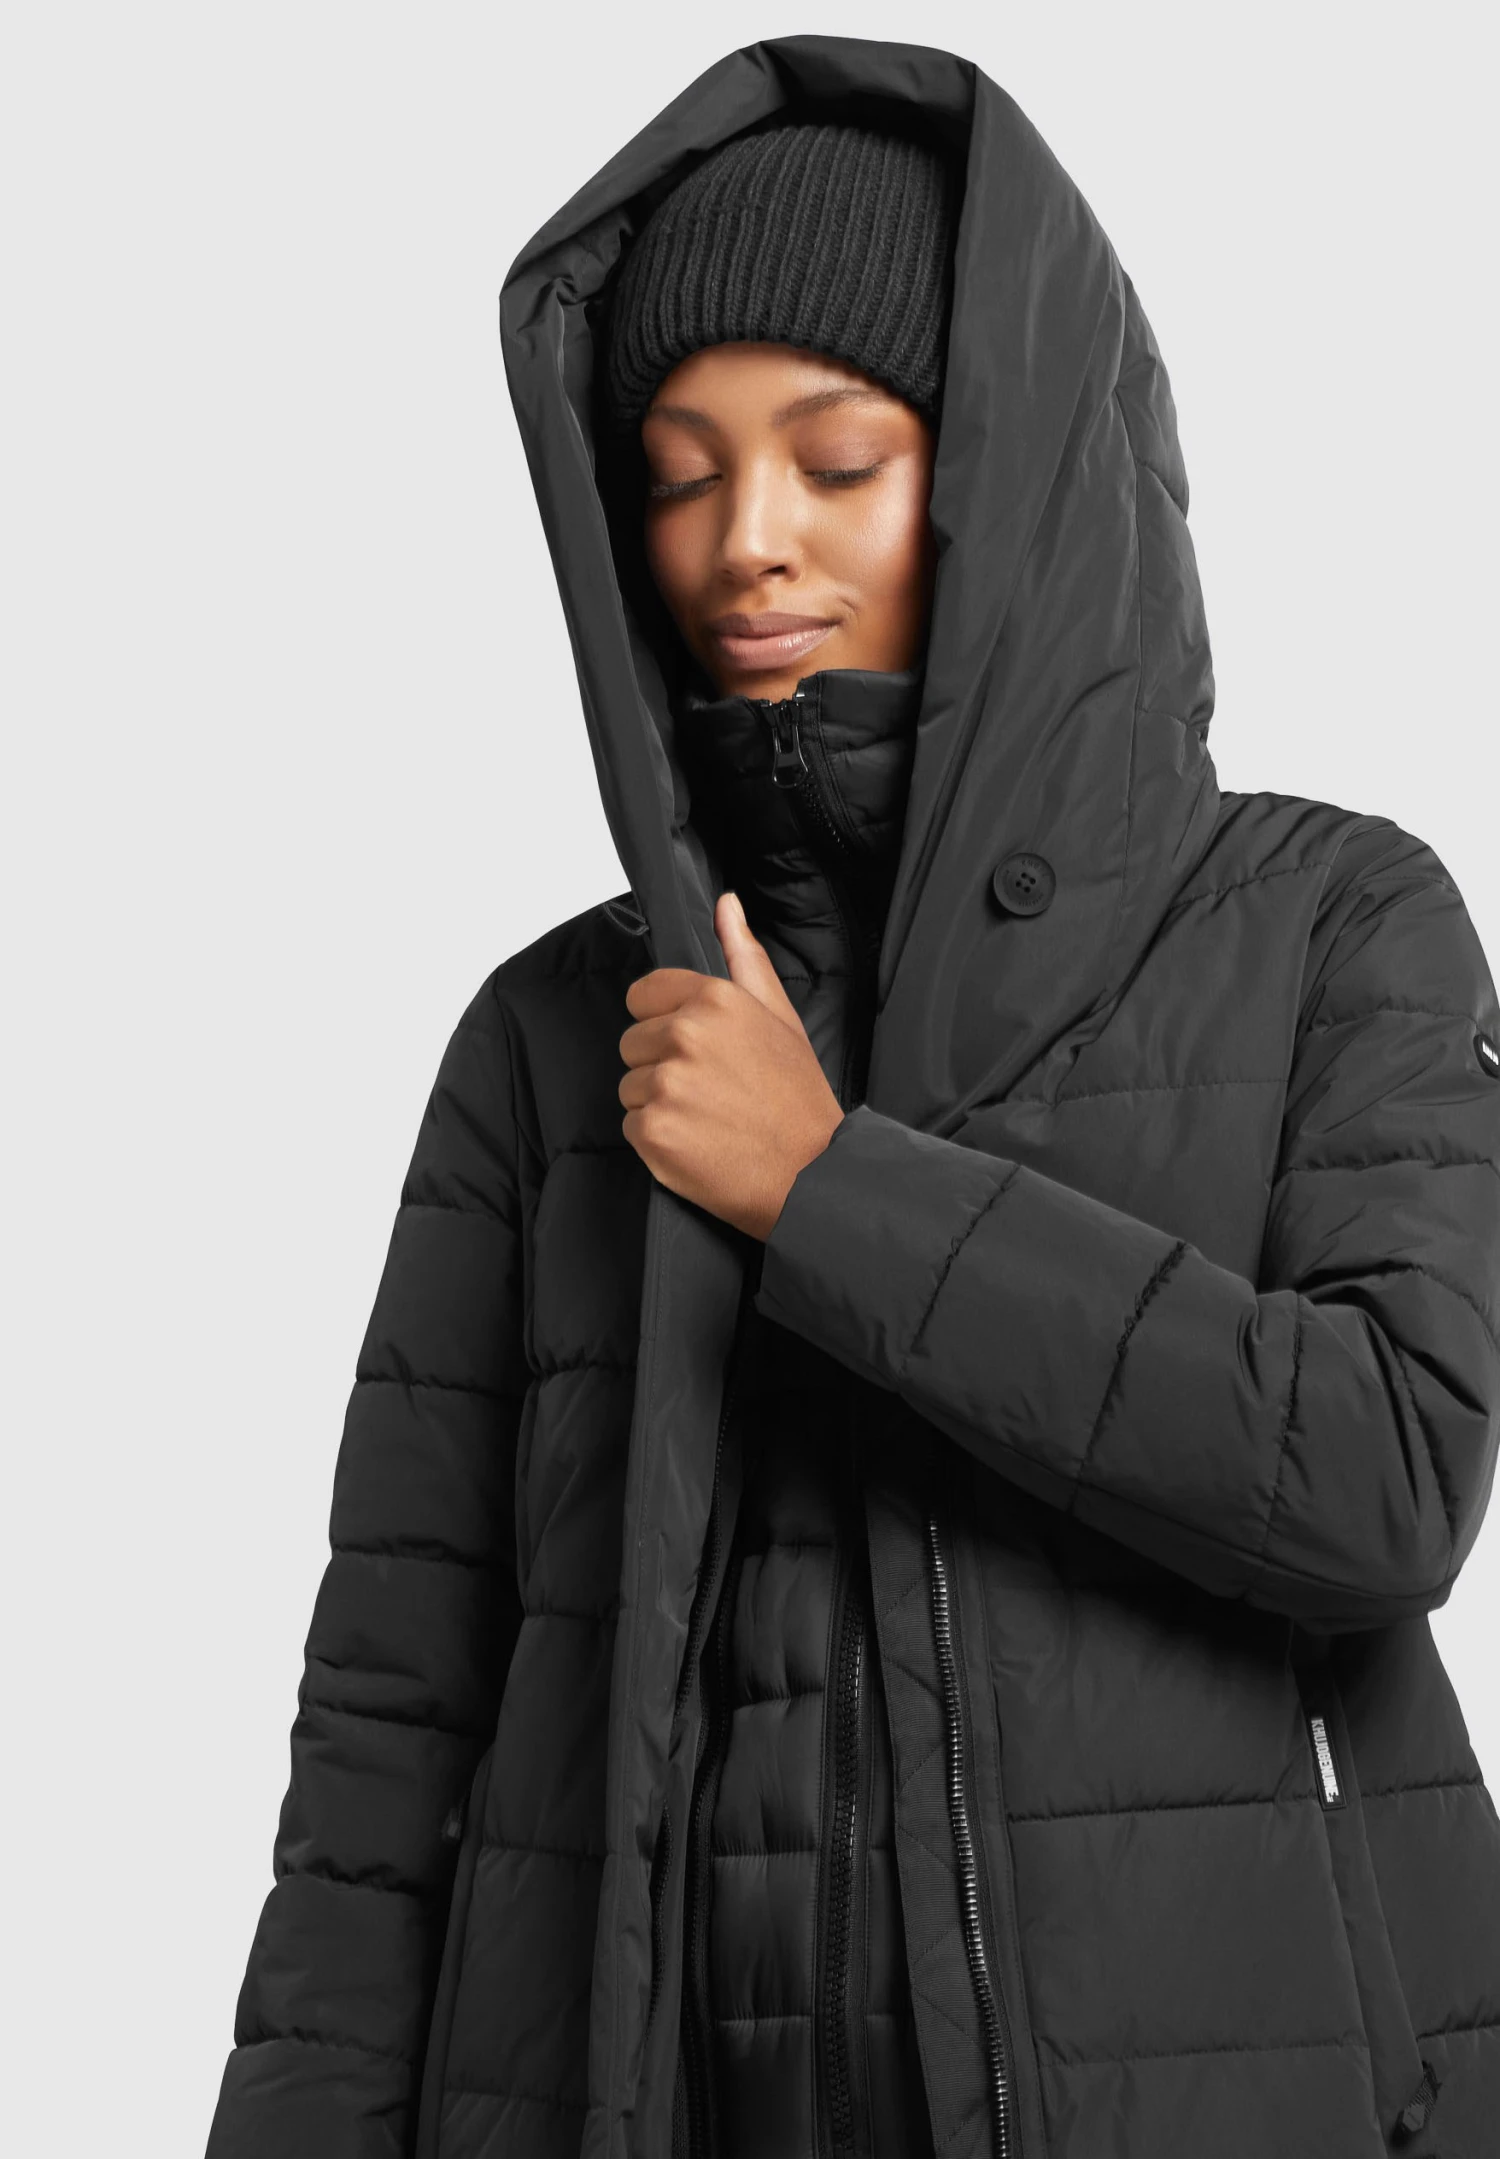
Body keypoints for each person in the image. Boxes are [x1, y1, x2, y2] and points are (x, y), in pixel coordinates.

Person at [205, 32, 1500, 2159]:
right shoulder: (554, 1036)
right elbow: (388, 1729)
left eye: (836, 457)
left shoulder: (1330, 921)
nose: (748, 541)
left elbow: (1387, 1479)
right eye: (680, 472)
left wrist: (826, 1187)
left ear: (996, 476)